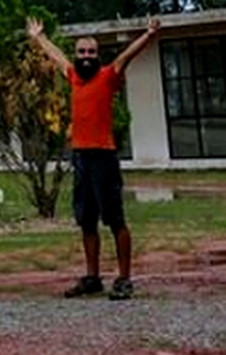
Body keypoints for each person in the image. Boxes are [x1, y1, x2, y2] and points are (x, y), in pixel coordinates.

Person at [26, 15, 162, 300]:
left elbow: (127, 55)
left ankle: (124, 279)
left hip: (104, 158)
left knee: (115, 220)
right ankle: (93, 277)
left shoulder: (108, 76)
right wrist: (39, 38)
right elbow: (57, 57)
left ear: (98, 56)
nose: (86, 56)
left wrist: (148, 35)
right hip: (81, 158)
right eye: (82, 52)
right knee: (86, 220)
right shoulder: (74, 76)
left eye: (91, 52)